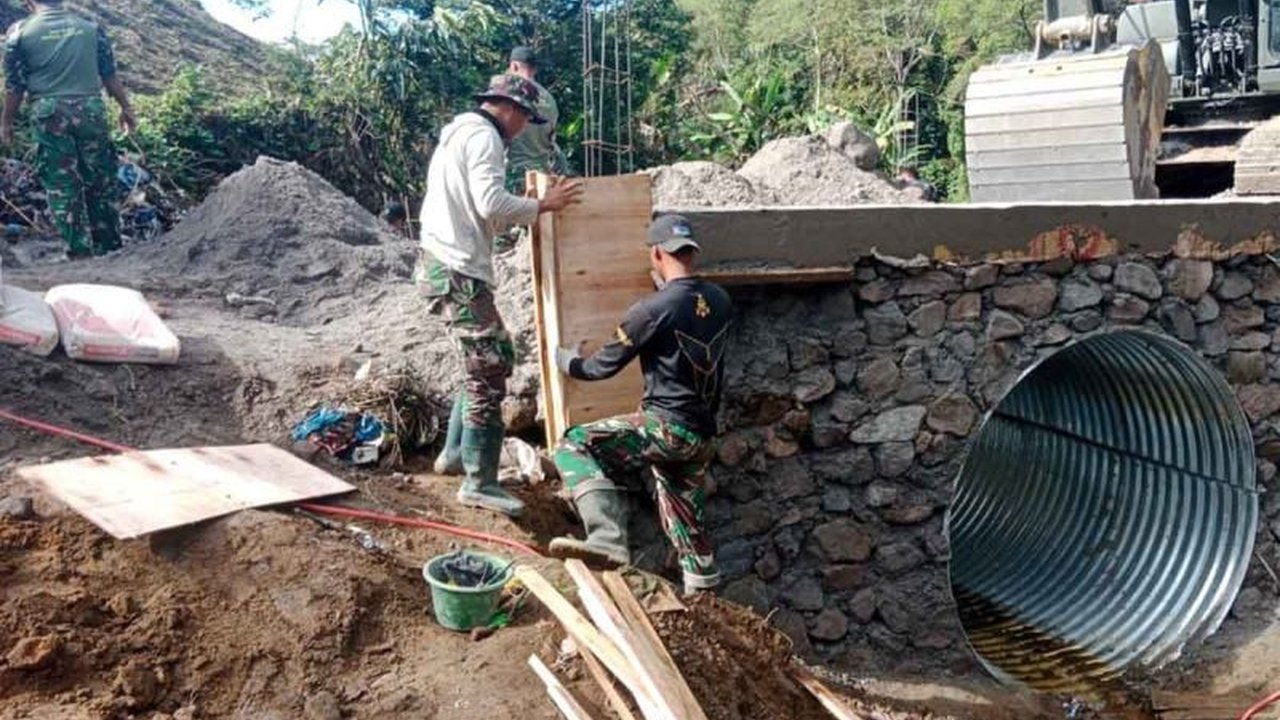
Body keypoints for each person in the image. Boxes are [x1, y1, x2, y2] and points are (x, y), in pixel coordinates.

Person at [418, 73, 583, 517]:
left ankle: (456, 455)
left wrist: (523, 202)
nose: (523, 128)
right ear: (508, 109)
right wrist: (543, 205)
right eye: (525, 118)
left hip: (446, 263)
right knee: (490, 367)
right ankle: (479, 482)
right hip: (457, 269)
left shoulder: (462, 133)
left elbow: (483, 208)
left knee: (486, 359)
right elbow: (491, 203)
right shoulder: (485, 138)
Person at [549, 215, 733, 595]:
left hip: (665, 429)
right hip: (700, 437)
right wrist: (663, 294)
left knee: (573, 445)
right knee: (685, 518)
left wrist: (566, 361)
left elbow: (600, 367)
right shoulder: (721, 300)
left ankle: (606, 541)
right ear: (691, 253)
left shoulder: (650, 310)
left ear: (655, 252)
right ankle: (704, 597)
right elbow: (688, 314)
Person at [2, 0, 136, 258]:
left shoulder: (19, 33)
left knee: (61, 183)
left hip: (49, 112)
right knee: (100, 179)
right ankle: (109, 247)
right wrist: (126, 108)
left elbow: (14, 87)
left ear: (29, 2)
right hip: (90, 109)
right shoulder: (91, 27)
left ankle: (79, 251)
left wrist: (6, 123)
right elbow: (109, 75)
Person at [504, 45, 570, 190]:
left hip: (513, 177)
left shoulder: (506, 92)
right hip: (541, 179)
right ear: (534, 69)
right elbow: (551, 141)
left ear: (514, 66)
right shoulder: (550, 100)